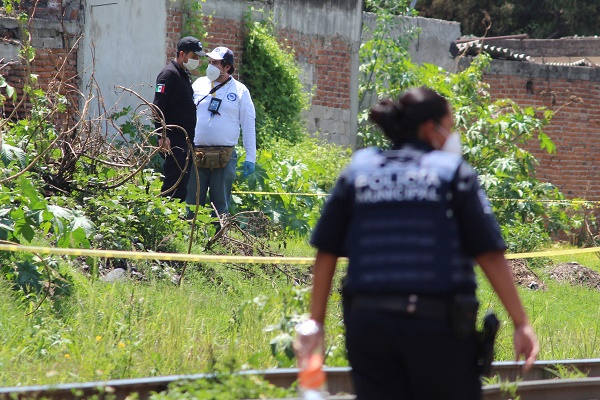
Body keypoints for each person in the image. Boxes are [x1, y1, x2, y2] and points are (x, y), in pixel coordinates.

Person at [298, 87, 539, 400]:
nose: (451, 137)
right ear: (430, 129)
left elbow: (327, 250)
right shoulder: (453, 174)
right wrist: (521, 323)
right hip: (437, 329)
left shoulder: (359, 171)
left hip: (369, 328)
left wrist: (315, 322)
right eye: (449, 127)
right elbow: (490, 254)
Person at [186, 46, 256, 218]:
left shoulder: (240, 90)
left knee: (220, 205)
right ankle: (190, 241)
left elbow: (248, 124)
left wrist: (250, 157)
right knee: (192, 204)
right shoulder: (199, 84)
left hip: (225, 156)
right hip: (197, 153)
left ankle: (219, 240)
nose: (210, 66)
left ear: (227, 67)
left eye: (215, 63)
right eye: (209, 62)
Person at [153, 36, 205, 202]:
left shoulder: (183, 74)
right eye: (194, 56)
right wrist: (162, 135)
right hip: (174, 140)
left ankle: (176, 224)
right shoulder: (169, 74)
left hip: (185, 140)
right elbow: (157, 106)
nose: (197, 60)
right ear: (182, 54)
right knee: (172, 187)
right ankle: (165, 223)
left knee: (181, 188)